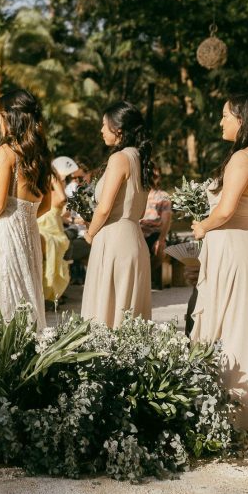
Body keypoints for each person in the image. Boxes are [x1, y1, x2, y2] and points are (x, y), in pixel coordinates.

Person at [191, 93, 248, 435]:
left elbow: (225, 211)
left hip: (232, 249)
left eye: (225, 115)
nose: (220, 121)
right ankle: (245, 411)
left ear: (241, 119)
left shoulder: (241, 158)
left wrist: (202, 226)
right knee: (242, 326)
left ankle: (225, 412)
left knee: (227, 325)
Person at [0, 89, 52, 330]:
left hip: (4, 231)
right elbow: (46, 204)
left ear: (11, 117)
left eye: (0, 115)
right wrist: (25, 218)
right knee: (25, 291)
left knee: (0, 291)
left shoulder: (6, 152)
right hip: (29, 232)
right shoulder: (42, 154)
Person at [81, 101, 152, 328]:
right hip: (135, 238)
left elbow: (104, 208)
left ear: (118, 130)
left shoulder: (119, 158)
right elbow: (141, 210)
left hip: (113, 240)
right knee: (127, 316)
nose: (101, 130)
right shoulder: (141, 159)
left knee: (106, 313)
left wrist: (90, 234)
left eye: (104, 125)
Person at [37, 161, 71, 304]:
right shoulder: (40, 190)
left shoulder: (56, 193)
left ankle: (47, 293)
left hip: (52, 231)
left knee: (44, 242)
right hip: (40, 227)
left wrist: (55, 179)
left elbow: (63, 199)